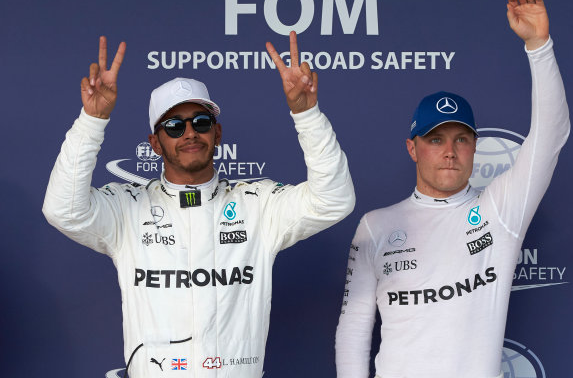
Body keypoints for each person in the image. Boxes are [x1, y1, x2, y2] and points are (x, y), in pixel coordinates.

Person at [43, 32, 355, 377]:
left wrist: (306, 114)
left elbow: (334, 200)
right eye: (174, 126)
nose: (189, 132)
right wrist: (92, 120)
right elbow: (64, 209)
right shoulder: (125, 208)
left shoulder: (257, 205)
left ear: (217, 134)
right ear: (155, 144)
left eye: (201, 122)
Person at [335, 0, 569, 378]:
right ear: (413, 148)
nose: (450, 151)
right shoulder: (376, 226)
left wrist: (539, 46)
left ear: (474, 147)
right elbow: (354, 327)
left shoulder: (500, 211)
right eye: (436, 139)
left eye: (461, 139)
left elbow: (551, 135)